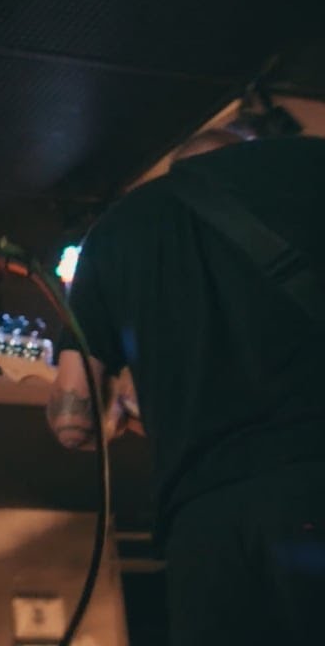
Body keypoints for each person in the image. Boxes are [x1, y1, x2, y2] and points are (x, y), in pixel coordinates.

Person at [46, 98, 325, 645]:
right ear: (246, 149)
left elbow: (72, 422)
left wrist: (119, 407)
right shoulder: (308, 166)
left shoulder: (110, 236)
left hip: (205, 524)